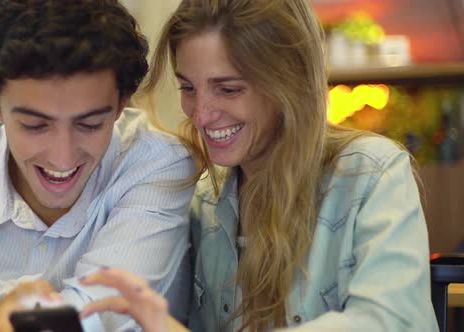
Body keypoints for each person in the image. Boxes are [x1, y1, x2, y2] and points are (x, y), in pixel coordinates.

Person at [79, 0, 439, 331]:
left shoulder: (373, 174)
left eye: (229, 89)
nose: (201, 115)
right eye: (188, 88)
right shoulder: (202, 201)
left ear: (289, 82)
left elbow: (392, 322)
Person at [0, 0, 195, 331]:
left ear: (121, 104)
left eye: (89, 125)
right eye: (35, 125)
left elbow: (83, 319)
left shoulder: (159, 164)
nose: (62, 157)